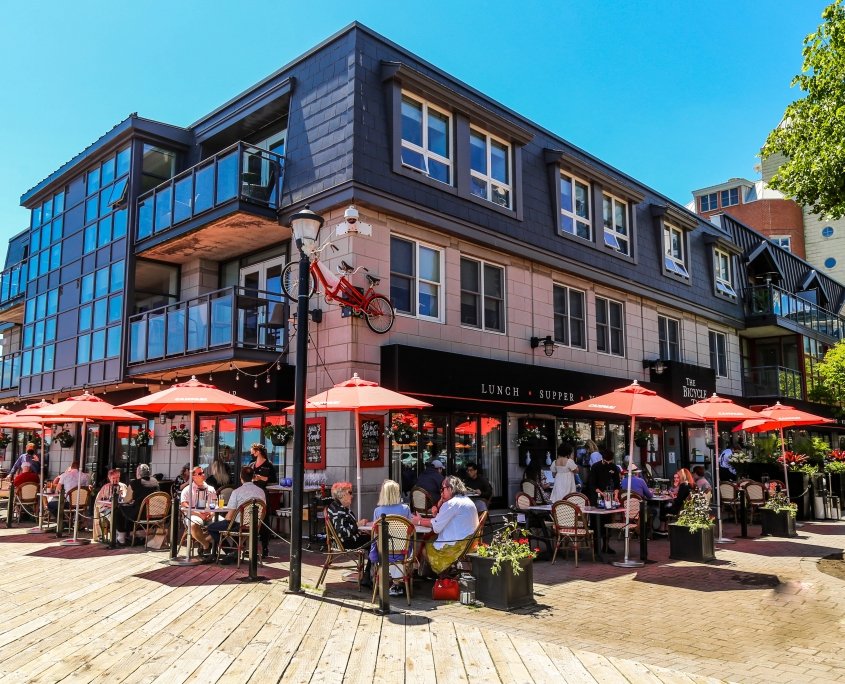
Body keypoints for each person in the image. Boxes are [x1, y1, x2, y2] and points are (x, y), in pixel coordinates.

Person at [413, 475, 479, 576]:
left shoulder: (452, 504)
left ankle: (443, 574)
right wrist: (440, 504)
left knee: (424, 547)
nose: (441, 492)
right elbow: (439, 521)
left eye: (442, 489)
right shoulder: (466, 500)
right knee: (429, 538)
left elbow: (436, 527)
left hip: (455, 548)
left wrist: (418, 521)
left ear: (450, 488)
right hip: (468, 544)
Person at [207, 466, 265, 561]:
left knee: (212, 527)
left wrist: (225, 520)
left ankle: (229, 552)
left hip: (239, 526)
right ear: (253, 477)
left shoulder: (237, 492)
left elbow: (229, 517)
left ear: (240, 477)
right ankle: (234, 552)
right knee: (233, 524)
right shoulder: (261, 491)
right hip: (255, 525)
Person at [369, 479, 413, 596]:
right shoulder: (405, 509)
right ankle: (398, 582)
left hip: (383, 551)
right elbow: (410, 530)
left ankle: (383, 582)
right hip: (402, 551)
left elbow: (375, 533)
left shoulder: (378, 511)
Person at [247, 443, 277, 558]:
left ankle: (265, 547)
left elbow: (274, 480)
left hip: (263, 495)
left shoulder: (269, 465)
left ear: (258, 451)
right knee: (250, 519)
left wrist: (262, 478)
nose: (251, 453)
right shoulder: (252, 464)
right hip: (251, 494)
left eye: (252, 451)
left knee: (263, 520)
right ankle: (250, 546)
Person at [179, 466, 217, 555]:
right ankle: (206, 544)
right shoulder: (187, 489)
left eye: (203, 472)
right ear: (193, 476)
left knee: (227, 524)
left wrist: (212, 513)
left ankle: (206, 541)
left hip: (209, 515)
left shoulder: (210, 488)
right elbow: (184, 505)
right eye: (200, 473)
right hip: (194, 515)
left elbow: (214, 504)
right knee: (193, 525)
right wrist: (200, 514)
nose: (203, 475)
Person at [94, 469, 128, 542]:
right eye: (113, 478)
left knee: (126, 515)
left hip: (121, 508)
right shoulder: (105, 487)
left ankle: (125, 536)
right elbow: (98, 501)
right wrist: (107, 503)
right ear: (109, 478)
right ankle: (115, 537)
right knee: (114, 516)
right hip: (107, 509)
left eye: (117, 478)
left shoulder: (123, 486)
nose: (116, 480)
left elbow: (127, 498)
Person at [656, 469, 695, 534]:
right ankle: (666, 528)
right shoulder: (689, 485)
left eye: (679, 476)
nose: (678, 478)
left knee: (663, 507)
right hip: (684, 508)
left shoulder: (683, 485)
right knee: (666, 506)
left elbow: (678, 501)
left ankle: (662, 528)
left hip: (678, 509)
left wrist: (673, 499)